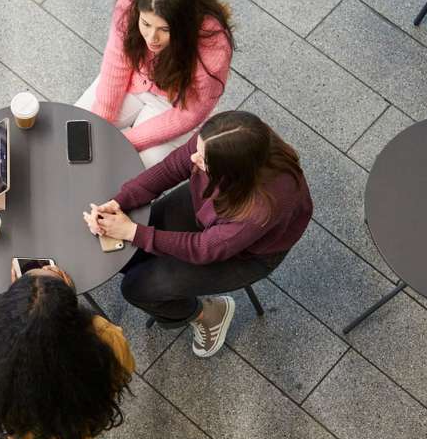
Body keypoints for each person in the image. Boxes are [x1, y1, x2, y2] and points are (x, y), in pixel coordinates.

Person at [83, 111, 313, 358]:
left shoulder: (261, 208)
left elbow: (204, 249)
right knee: (127, 256)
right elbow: (172, 167)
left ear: (231, 172)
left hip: (248, 254)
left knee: (137, 288)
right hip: (210, 206)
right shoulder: (222, 137)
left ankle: (209, 315)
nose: (194, 157)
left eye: (203, 160)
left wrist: (133, 231)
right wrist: (120, 201)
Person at [0, 266, 134, 439]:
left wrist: (22, 303)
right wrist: (61, 297)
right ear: (73, 317)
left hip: (38, 438)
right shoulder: (107, 339)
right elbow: (126, 366)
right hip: (83, 422)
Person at [76, 0, 234, 168]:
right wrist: (100, 120)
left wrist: (127, 141)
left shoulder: (213, 48)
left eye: (165, 30)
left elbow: (190, 114)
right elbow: (117, 60)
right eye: (146, 24)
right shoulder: (129, 2)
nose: (152, 37)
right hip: (132, 80)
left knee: (132, 169)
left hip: (174, 103)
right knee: (79, 128)